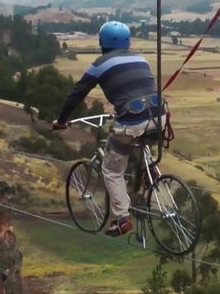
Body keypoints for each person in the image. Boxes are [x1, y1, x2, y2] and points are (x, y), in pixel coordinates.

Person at [53, 21, 166, 237]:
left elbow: (76, 94)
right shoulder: (140, 58)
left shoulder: (100, 64)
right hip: (159, 116)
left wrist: (61, 121)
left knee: (112, 170)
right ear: (127, 41)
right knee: (139, 135)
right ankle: (150, 167)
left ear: (102, 42)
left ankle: (121, 219)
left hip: (133, 120)